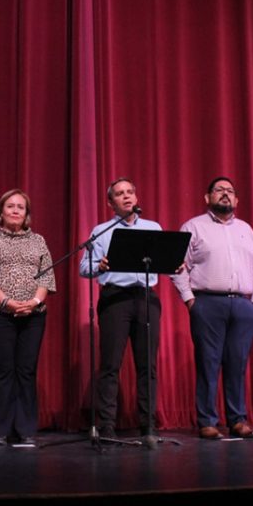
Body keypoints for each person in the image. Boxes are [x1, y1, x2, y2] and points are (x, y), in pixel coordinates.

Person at [171, 177, 253, 439]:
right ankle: (207, 421)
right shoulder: (193, 227)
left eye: (230, 191)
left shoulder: (246, 229)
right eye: (219, 190)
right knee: (208, 363)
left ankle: (237, 419)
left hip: (243, 305)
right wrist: (190, 300)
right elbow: (176, 265)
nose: (225, 194)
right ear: (207, 197)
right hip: (207, 303)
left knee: (237, 363)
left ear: (236, 200)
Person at [80, 178, 163, 438]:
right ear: (110, 202)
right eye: (119, 194)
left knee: (147, 366)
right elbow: (84, 268)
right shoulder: (102, 231)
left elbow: (164, 260)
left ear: (136, 198)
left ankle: (148, 426)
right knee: (110, 365)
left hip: (146, 299)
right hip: (115, 300)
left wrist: (175, 264)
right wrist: (99, 266)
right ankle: (106, 426)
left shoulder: (153, 228)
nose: (126, 197)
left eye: (130, 192)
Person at [0, 189, 56, 446]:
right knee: (3, 371)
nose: (15, 210)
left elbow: (47, 276)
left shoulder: (39, 241)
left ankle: (26, 429)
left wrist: (34, 302)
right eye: (10, 206)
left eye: (20, 207)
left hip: (34, 315)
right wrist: (7, 303)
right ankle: (0, 430)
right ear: (0, 212)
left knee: (26, 371)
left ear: (26, 214)